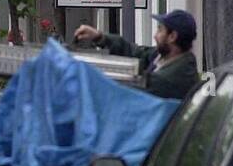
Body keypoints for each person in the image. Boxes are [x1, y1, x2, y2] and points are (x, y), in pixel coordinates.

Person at [72, 9, 200, 100]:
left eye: (160, 30)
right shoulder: (164, 57)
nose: (155, 35)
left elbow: (127, 93)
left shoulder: (171, 78)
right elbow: (136, 52)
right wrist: (100, 37)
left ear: (172, 36)